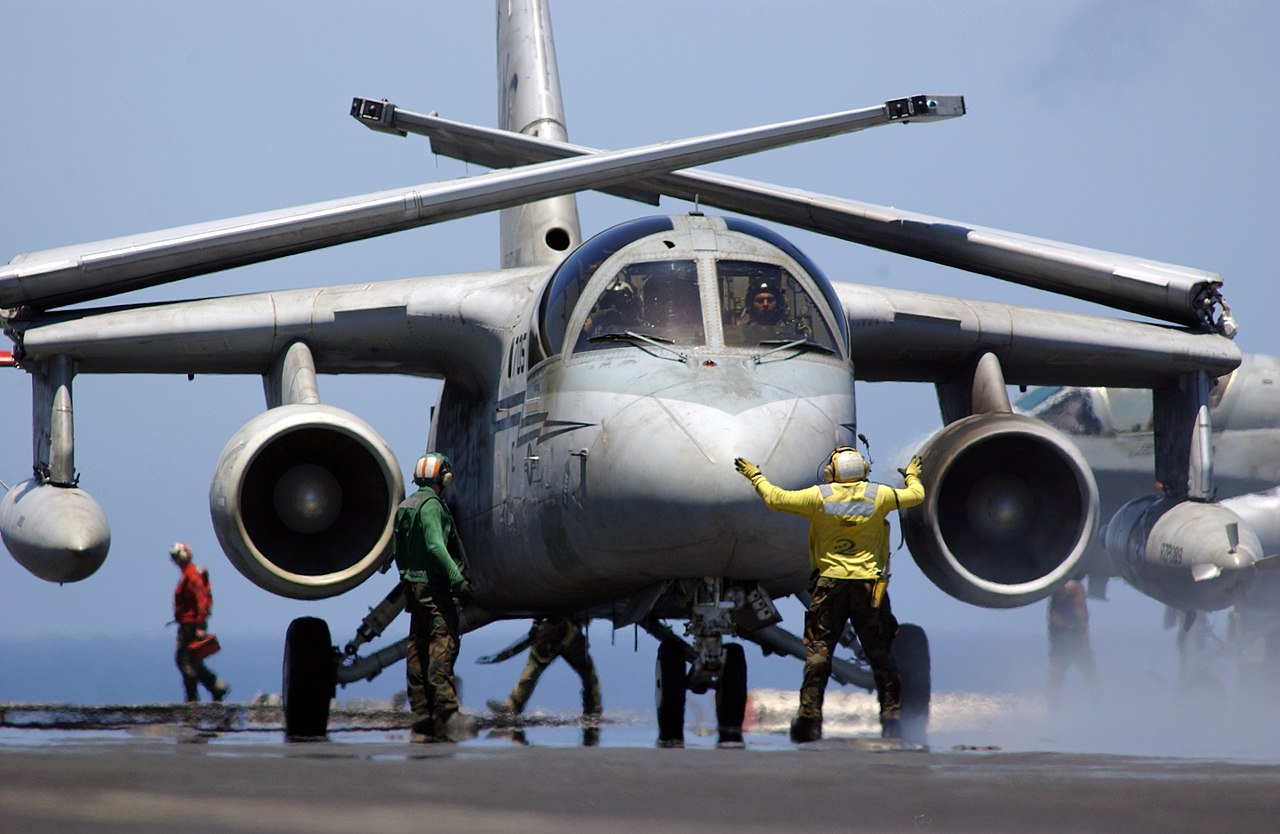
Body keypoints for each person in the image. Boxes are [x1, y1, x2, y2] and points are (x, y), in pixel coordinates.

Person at [734, 447, 924, 741]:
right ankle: (892, 718)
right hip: (869, 589)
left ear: (833, 473)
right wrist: (912, 475)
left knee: (818, 656)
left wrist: (754, 475)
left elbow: (775, 498)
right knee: (882, 656)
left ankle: (809, 721)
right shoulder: (881, 496)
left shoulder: (819, 497)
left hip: (830, 587)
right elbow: (916, 496)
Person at [394, 452, 476, 743]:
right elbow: (435, 545)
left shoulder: (407, 505)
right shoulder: (431, 507)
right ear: (443, 477)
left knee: (418, 644)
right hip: (434, 588)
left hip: (414, 587)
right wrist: (457, 581)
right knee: (442, 643)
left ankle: (421, 713)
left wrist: (407, 576)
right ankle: (446, 710)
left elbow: (398, 550)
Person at [486, 616, 602, 723]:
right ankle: (513, 705)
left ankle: (593, 710)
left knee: (588, 675)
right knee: (530, 673)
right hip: (549, 633)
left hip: (569, 633)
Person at [169, 542, 230, 703]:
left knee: (184, 660)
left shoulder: (191, 576)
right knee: (192, 659)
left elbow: (201, 600)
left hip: (191, 625)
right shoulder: (188, 575)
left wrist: (199, 625)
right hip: (188, 624)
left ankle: (194, 698)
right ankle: (216, 687)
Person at [1047, 578, 1100, 707]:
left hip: (1071, 641)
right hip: (1069, 641)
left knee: (1058, 678)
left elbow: (1056, 617)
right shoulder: (1073, 588)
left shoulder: (1069, 588)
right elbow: (1056, 617)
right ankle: (1099, 704)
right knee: (1091, 677)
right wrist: (1075, 628)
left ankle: (1053, 706)